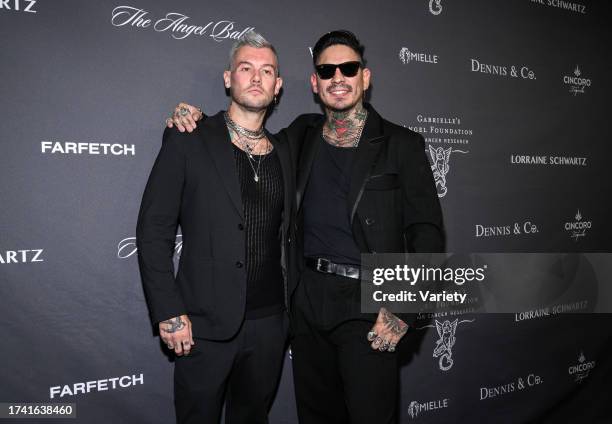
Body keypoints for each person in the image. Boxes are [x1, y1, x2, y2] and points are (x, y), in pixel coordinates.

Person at [167, 30, 444, 424]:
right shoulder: (299, 136)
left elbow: (427, 232)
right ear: (314, 83)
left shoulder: (403, 144)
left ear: (366, 77)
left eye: (348, 68)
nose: (338, 77)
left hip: (371, 303)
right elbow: (245, 134)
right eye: (326, 70)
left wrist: (404, 307)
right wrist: (194, 119)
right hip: (306, 302)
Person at [136, 30, 295, 424]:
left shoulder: (288, 152)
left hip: (270, 325)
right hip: (202, 326)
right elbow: (153, 229)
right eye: (246, 68)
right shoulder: (189, 137)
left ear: (278, 87)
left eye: (266, 70)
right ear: (228, 79)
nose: (256, 77)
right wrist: (169, 311)